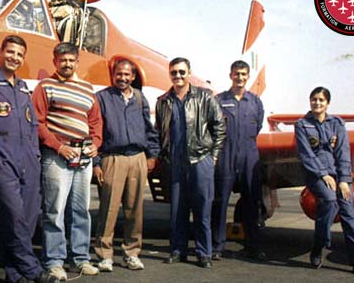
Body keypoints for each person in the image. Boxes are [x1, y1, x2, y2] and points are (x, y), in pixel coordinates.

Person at [0, 35, 57, 283]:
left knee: (28, 219)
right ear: (0, 51)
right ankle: (33, 270)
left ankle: (14, 273)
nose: (14, 58)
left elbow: (31, 125)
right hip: (0, 154)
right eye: (10, 52)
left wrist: (36, 155)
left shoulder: (21, 87)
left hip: (28, 158)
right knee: (13, 215)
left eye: (19, 54)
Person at [33, 42, 104, 279]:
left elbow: (95, 121)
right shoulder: (46, 86)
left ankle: (80, 259)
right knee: (55, 210)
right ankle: (54, 261)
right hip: (57, 157)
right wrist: (59, 146)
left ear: (77, 62)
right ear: (55, 61)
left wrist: (95, 143)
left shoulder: (87, 88)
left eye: (71, 60)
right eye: (62, 60)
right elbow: (38, 122)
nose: (67, 64)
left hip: (84, 158)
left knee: (81, 210)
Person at [154, 57, 225, 268]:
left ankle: (204, 253)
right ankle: (178, 250)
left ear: (189, 72)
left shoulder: (205, 97)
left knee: (202, 209)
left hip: (200, 159)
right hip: (176, 163)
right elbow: (160, 131)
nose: (178, 76)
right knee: (177, 210)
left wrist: (213, 155)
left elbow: (219, 125)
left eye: (182, 72)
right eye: (174, 72)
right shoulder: (163, 101)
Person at [92, 59, 159, 272]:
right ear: (113, 75)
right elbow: (95, 131)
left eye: (126, 75)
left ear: (133, 77)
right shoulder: (102, 98)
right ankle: (104, 255)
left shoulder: (139, 98)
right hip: (112, 158)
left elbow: (149, 129)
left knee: (135, 210)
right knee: (108, 210)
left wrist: (151, 155)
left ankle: (132, 253)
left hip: (137, 158)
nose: (122, 78)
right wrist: (96, 162)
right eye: (118, 74)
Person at [294, 87, 354, 276]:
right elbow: (306, 154)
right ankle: (319, 247)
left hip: (338, 174)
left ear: (327, 103)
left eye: (321, 100)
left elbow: (343, 152)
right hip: (316, 175)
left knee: (348, 213)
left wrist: (344, 180)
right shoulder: (302, 124)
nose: (317, 103)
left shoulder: (337, 123)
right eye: (314, 99)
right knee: (329, 200)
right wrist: (322, 174)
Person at [211, 60, 266, 261]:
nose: (240, 78)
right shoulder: (218, 100)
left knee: (252, 202)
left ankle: (253, 246)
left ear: (248, 76)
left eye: (243, 74)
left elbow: (258, 126)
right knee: (219, 201)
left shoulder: (255, 102)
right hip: (226, 154)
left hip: (249, 156)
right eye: (236, 74)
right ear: (230, 75)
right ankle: (217, 246)